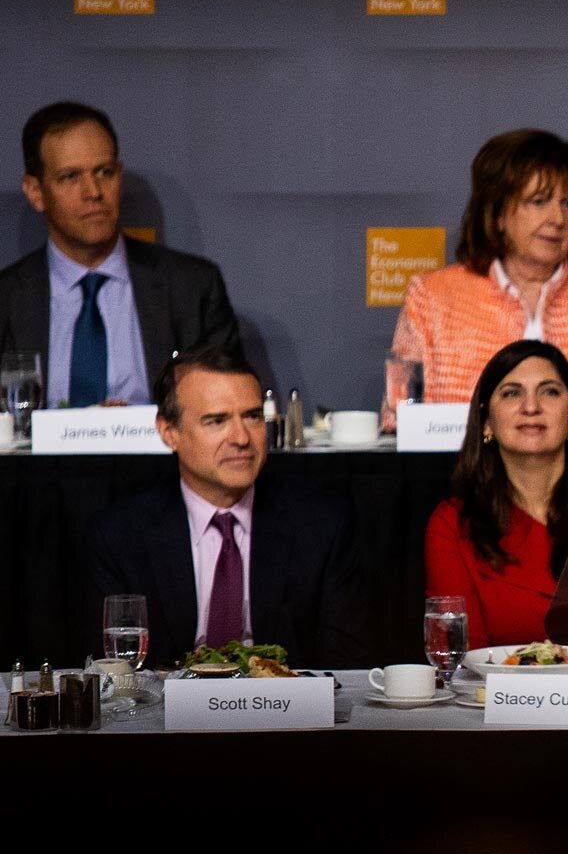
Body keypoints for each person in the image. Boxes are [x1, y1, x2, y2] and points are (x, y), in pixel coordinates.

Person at [87, 349, 365, 665]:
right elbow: (113, 672)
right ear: (169, 432)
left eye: (252, 416)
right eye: (217, 420)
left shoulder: (322, 526)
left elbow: (345, 670)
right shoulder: (121, 535)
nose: (242, 438)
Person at [387, 129, 568, 428]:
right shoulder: (431, 298)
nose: (558, 219)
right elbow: (399, 423)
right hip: (465, 474)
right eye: (539, 201)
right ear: (497, 213)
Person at [1, 100, 242, 405]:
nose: (93, 192)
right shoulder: (7, 299)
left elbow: (226, 409)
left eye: (104, 172)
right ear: (36, 192)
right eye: (70, 177)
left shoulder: (192, 288)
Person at [425, 339, 568, 656]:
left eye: (549, 391)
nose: (531, 407)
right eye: (511, 393)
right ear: (487, 422)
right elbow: (464, 659)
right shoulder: (452, 522)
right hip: (496, 702)